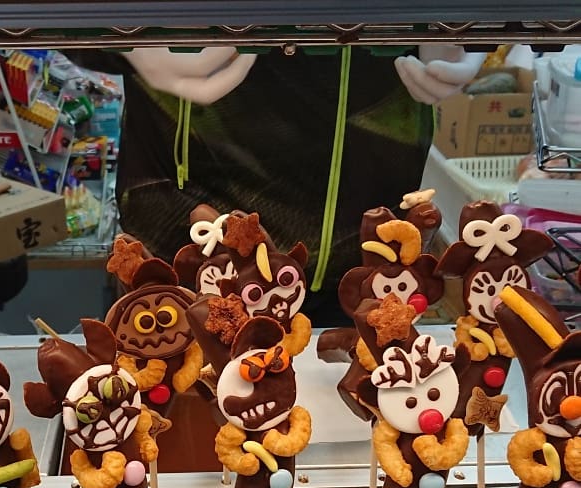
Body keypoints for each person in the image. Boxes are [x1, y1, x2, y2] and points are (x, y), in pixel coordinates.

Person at [71, 45, 484, 326]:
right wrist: (129, 30)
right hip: (192, 243)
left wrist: (472, 20)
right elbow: (55, 23)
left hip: (367, 258)